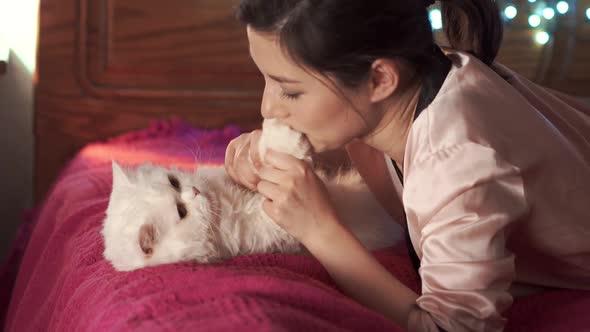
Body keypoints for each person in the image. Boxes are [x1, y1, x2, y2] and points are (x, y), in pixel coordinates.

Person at [223, 0, 590, 331]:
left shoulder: (457, 159)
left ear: (380, 79)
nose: (267, 109)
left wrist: (319, 230)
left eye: (290, 90)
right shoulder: (420, 73)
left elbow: (452, 327)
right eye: (266, 80)